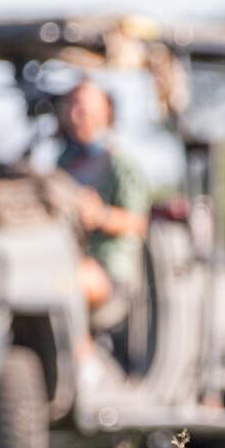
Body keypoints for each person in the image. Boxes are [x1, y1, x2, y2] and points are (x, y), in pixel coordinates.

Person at [55, 81, 148, 358]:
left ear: (105, 112)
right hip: (68, 257)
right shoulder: (64, 161)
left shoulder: (119, 163)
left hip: (112, 271)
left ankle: (84, 361)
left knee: (64, 280)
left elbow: (139, 222)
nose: (75, 114)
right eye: (70, 105)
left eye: (83, 107)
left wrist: (101, 215)